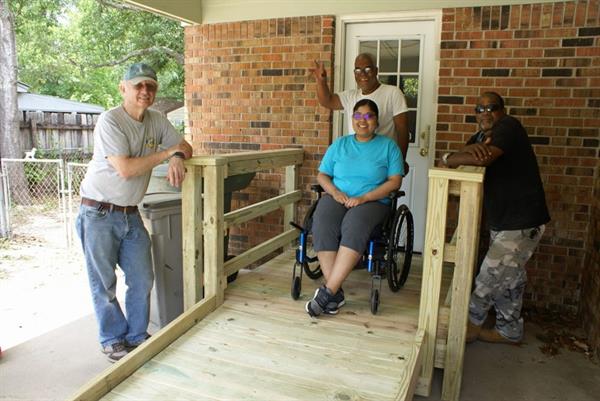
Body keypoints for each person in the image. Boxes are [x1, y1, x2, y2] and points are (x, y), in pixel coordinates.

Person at [76, 63, 193, 362]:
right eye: (138, 85)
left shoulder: (156, 120)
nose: (145, 91)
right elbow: (126, 169)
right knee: (103, 283)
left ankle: (136, 336)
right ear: (123, 88)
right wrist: (168, 153)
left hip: (131, 213)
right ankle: (112, 338)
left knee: (142, 278)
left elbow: (186, 146)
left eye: (150, 86)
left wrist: (177, 154)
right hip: (98, 212)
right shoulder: (110, 121)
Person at [441, 91, 550, 344]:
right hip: (503, 220)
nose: (485, 113)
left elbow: (484, 157)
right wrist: (459, 155)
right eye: (480, 109)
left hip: (523, 220)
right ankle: (509, 330)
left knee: (489, 277)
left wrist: (451, 158)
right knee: (510, 276)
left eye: (492, 107)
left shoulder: (508, 126)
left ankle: (465, 328)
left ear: (502, 110)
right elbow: (463, 155)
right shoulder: (480, 136)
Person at [306, 99, 404, 317]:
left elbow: (395, 181)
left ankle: (328, 291)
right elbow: (322, 175)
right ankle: (335, 292)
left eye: (369, 116)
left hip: (373, 202)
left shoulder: (388, 147)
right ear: (352, 119)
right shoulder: (340, 144)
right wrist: (334, 192)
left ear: (377, 121)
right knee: (322, 219)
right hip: (338, 198)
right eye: (358, 115)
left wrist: (364, 197)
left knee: (354, 223)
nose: (363, 120)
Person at [311, 53, 410, 172]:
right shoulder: (351, 96)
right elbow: (327, 101)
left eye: (367, 69)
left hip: (382, 162)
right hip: (355, 160)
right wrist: (321, 81)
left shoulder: (392, 93)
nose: (362, 74)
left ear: (376, 70)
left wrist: (400, 161)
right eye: (358, 70)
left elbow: (402, 128)